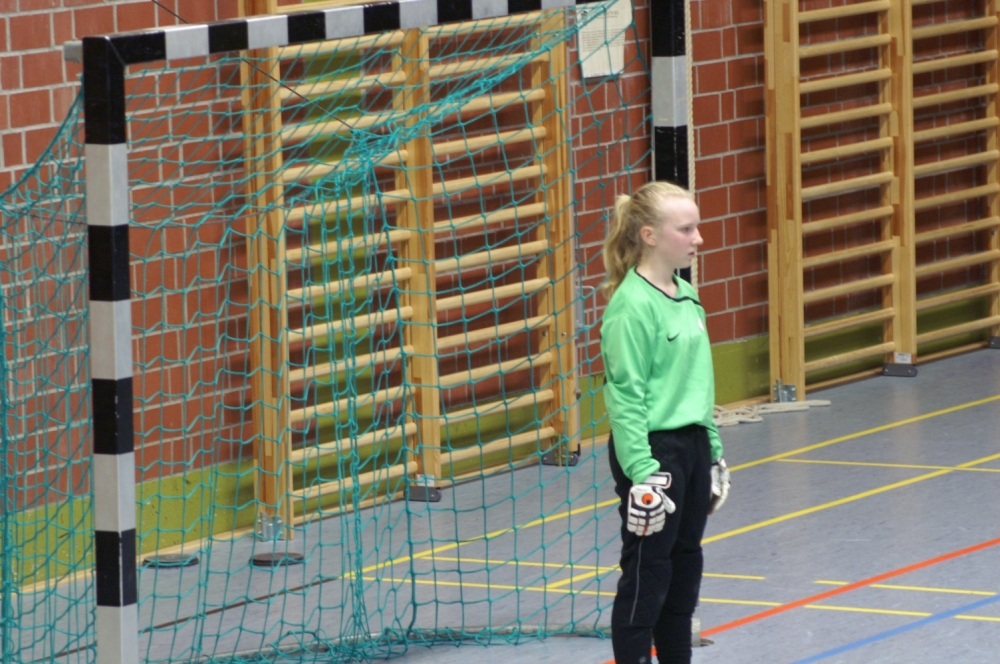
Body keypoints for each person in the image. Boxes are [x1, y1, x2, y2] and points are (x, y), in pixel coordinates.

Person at [600, 181, 730, 664]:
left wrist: (713, 450)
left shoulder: (687, 294)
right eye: (686, 229)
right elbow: (625, 398)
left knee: (685, 566)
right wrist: (641, 472)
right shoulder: (630, 307)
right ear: (650, 235)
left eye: (697, 227)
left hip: (692, 447)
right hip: (654, 453)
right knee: (648, 572)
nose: (698, 239)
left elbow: (700, 385)